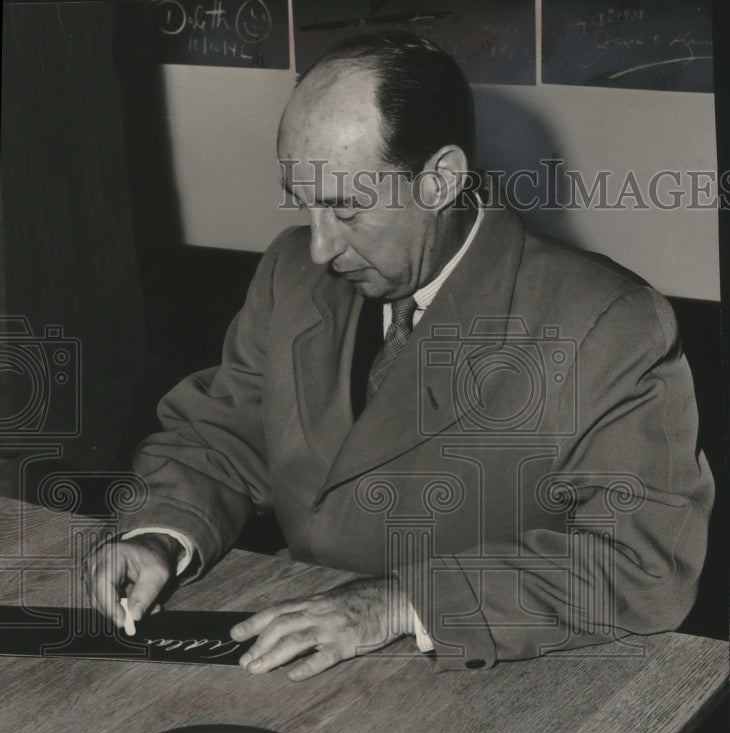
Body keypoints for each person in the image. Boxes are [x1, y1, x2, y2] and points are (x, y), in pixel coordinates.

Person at [86, 33, 713, 680]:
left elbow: (644, 563)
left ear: (440, 180)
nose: (320, 248)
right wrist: (161, 534)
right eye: (303, 203)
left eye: (346, 209)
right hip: (303, 645)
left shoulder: (606, 322)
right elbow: (225, 434)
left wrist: (397, 604)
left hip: (490, 670)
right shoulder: (291, 274)